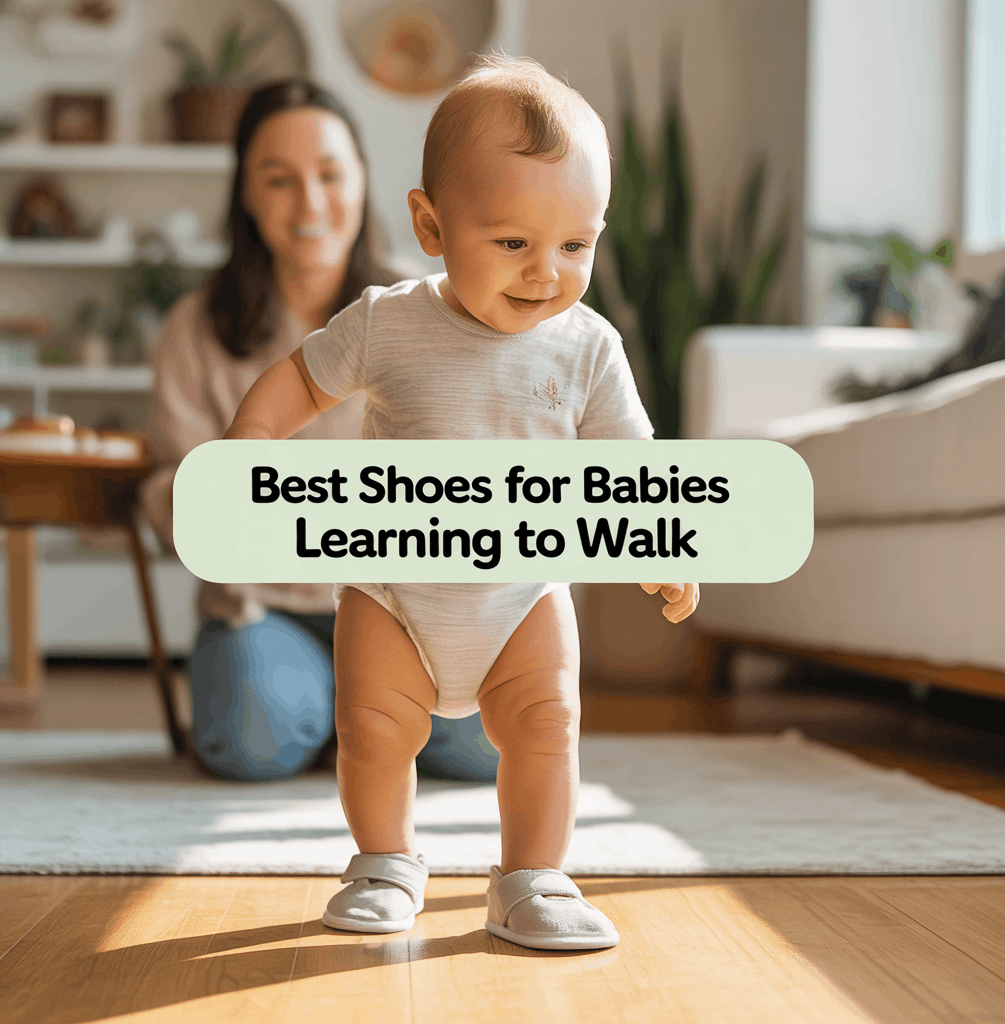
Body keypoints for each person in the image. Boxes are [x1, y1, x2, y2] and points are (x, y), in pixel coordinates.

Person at [224, 56, 700, 950]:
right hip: (393, 593)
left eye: (576, 245)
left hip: (523, 595)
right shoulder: (388, 319)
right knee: (370, 728)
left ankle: (534, 877)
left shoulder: (590, 347)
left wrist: (658, 546)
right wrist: (253, 443)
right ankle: (385, 860)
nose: (545, 273)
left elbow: (631, 465)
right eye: (513, 243)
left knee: (550, 725)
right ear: (432, 225)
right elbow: (300, 379)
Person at [141, 79, 500, 785]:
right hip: (264, 614)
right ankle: (346, 713)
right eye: (278, 179)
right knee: (252, 739)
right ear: (245, 192)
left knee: (494, 744)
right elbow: (170, 486)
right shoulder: (197, 325)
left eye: (330, 176)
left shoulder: (431, 309)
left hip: (411, 610)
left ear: (363, 181)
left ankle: (355, 715)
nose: (309, 203)